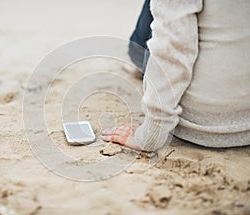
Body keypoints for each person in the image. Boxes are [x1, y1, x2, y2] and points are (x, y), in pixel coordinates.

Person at [102, 0, 250, 151]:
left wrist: (150, 136)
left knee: (160, 15)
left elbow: (172, 49)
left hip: (201, 123)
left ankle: (137, 59)